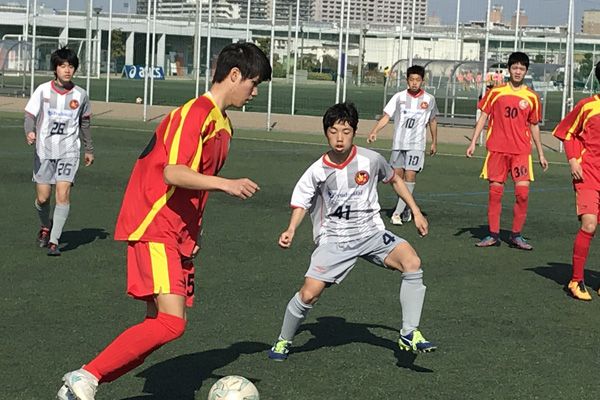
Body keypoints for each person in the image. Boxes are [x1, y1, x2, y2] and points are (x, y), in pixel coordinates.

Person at [57, 42, 271, 400]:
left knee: (162, 323)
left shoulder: (223, 125)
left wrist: (193, 231)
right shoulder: (196, 113)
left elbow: (193, 186)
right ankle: (86, 376)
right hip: (154, 222)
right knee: (171, 323)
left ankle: (81, 384)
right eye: (254, 82)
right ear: (235, 75)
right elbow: (173, 172)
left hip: (175, 230)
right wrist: (227, 184)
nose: (255, 91)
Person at [267, 102, 436, 361]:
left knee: (412, 262)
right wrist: (291, 229)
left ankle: (409, 332)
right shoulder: (317, 170)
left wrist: (415, 211)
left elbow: (395, 179)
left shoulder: (371, 159)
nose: (339, 137)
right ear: (326, 133)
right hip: (335, 240)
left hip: (371, 234)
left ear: (354, 131)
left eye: (345, 131)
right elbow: (301, 201)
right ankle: (283, 340)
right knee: (309, 293)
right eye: (333, 131)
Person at [466, 52, 548, 250]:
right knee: (495, 193)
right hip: (497, 150)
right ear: (509, 69)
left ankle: (516, 235)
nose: (518, 71)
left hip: (521, 152)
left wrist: (541, 152)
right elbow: (483, 117)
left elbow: (534, 125)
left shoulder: (532, 97)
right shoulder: (495, 92)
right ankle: (493, 234)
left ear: (526, 71)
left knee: (523, 193)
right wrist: (474, 141)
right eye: (515, 68)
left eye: (522, 68)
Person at [24, 47, 94, 256]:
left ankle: (54, 241)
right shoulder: (43, 90)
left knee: (62, 194)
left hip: (69, 151)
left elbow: (85, 123)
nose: (67, 70)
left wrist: (89, 148)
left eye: (71, 66)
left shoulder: (81, 95)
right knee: (44, 199)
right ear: (55, 68)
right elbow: (29, 116)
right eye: (63, 66)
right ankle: (46, 227)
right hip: (44, 151)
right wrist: (29, 132)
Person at [552, 61, 600, 301]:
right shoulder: (588, 106)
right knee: (589, 225)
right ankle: (576, 279)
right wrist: (573, 161)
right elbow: (566, 132)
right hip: (589, 174)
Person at [367, 65, 438, 225]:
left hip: (416, 145)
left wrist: (434, 141)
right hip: (399, 144)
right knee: (397, 178)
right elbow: (386, 116)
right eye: (411, 80)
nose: (414, 83)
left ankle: (397, 213)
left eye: (417, 80)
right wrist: (375, 131)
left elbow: (432, 121)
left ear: (422, 81)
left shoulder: (429, 99)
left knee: (410, 176)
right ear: (407, 80)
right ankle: (406, 206)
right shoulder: (399, 97)